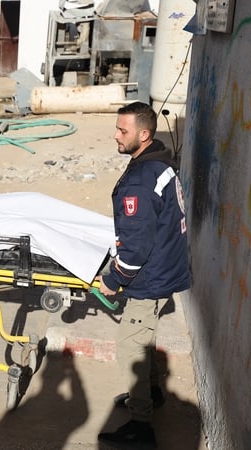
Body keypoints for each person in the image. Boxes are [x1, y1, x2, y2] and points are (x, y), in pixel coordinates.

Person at [96, 102, 190, 449]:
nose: (116, 135)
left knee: (130, 344)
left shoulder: (140, 179)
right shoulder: (159, 162)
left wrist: (114, 277)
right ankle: (151, 393)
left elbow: (135, 248)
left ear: (144, 134)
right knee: (144, 334)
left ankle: (141, 425)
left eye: (123, 131)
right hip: (168, 266)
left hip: (152, 276)